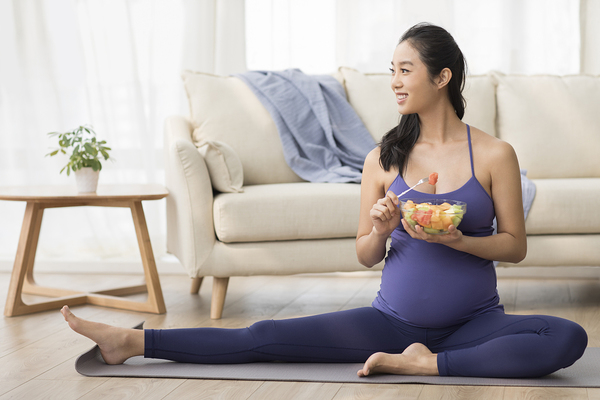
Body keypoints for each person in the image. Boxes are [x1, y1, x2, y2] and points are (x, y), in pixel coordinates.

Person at [61, 22, 587, 378]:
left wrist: (458, 239)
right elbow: (363, 253)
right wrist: (381, 229)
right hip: (390, 323)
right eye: (392, 69)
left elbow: (515, 247)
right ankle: (135, 344)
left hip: (476, 323)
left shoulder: (494, 154)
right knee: (263, 335)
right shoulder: (384, 157)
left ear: (442, 76)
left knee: (566, 337)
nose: (394, 81)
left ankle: (423, 365)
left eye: (406, 69)